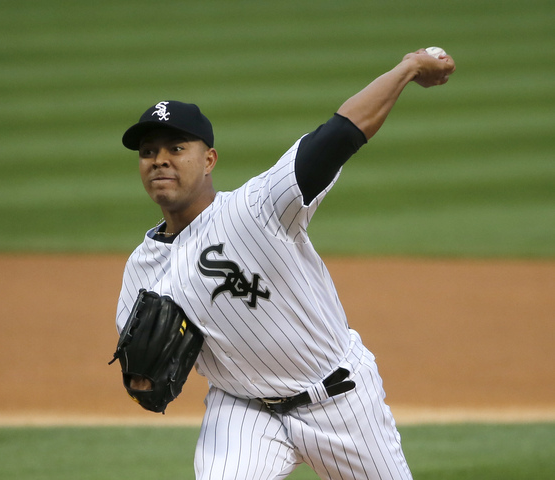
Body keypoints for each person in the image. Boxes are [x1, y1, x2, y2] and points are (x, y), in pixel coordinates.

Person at [116, 49, 456, 480]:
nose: (159, 159)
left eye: (176, 148)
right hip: (242, 411)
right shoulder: (141, 271)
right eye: (148, 152)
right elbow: (144, 382)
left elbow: (340, 134)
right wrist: (142, 385)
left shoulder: (257, 208)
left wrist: (407, 68)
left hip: (340, 399)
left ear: (208, 161)